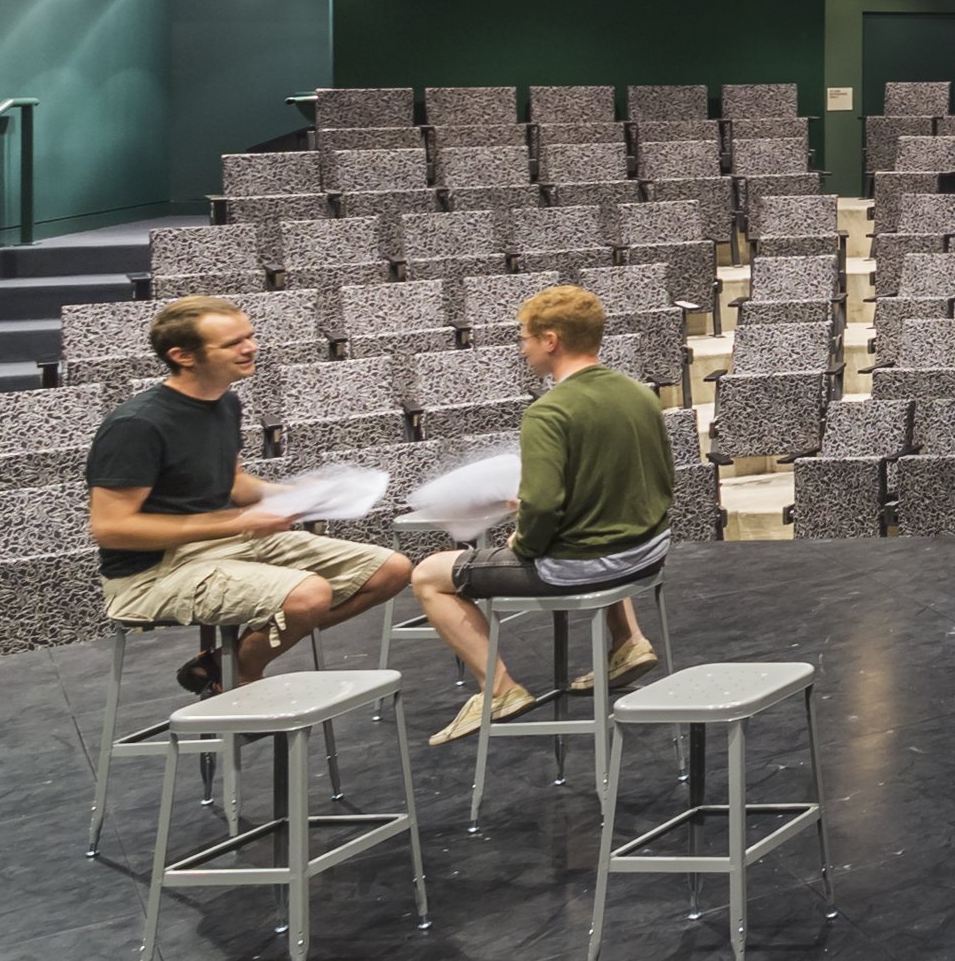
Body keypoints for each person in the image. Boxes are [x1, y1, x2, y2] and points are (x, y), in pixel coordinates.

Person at [87, 300, 413, 689]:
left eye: (250, 337)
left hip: (228, 542)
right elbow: (112, 528)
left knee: (390, 570)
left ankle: (226, 666)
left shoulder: (225, 402)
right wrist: (237, 522)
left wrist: (292, 494)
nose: (251, 348)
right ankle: (240, 675)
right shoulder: (137, 426)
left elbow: (233, 483)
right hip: (153, 573)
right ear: (183, 356)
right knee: (308, 595)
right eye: (233, 343)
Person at [409, 284, 677, 743]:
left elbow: (545, 507)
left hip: (585, 566)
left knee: (427, 575)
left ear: (551, 340)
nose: (523, 348)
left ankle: (499, 690)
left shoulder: (548, 413)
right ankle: (628, 641)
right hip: (649, 553)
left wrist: (524, 541)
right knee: (596, 529)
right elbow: (658, 478)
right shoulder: (640, 395)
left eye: (525, 338)